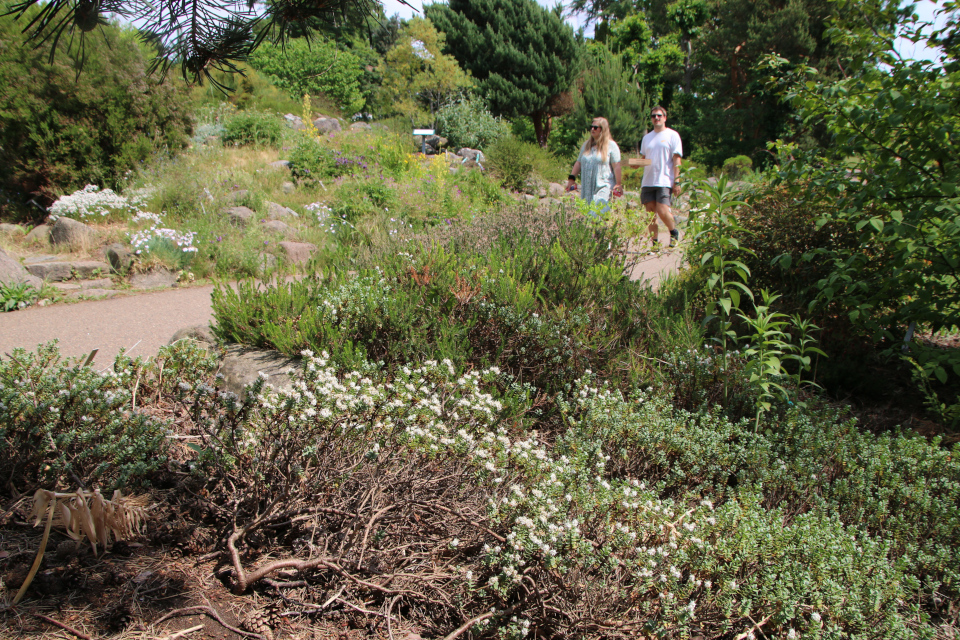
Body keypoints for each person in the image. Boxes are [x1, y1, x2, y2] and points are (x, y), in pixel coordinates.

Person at [640, 106, 682, 248]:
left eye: (659, 115)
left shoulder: (672, 135)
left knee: (663, 211)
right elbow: (644, 159)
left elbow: (677, 160)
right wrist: (635, 164)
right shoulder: (646, 138)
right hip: (648, 180)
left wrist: (677, 181)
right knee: (650, 215)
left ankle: (673, 232)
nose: (656, 118)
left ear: (665, 117)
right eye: (653, 116)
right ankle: (655, 244)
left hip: (664, 179)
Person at [566, 117, 623, 210]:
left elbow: (616, 166)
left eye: (595, 127)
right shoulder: (586, 145)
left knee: (597, 213)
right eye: (591, 127)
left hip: (604, 186)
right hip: (587, 188)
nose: (592, 129)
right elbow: (578, 163)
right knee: (588, 215)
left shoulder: (611, 145)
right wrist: (571, 178)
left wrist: (618, 183)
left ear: (603, 129)